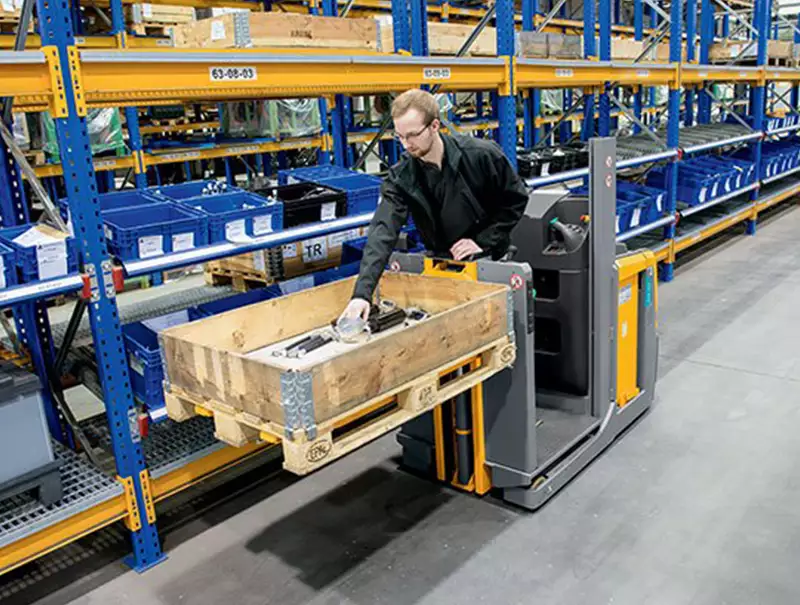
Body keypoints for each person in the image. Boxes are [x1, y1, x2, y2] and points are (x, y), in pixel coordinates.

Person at [340, 88, 530, 322]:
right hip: (441, 266)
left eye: (413, 135)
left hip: (490, 263)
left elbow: (516, 199)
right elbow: (383, 230)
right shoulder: (402, 177)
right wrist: (361, 294)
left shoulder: (480, 155)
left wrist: (482, 241)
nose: (406, 145)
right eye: (400, 136)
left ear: (434, 126)